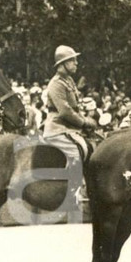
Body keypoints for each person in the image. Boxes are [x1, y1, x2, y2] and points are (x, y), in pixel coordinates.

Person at [42, 45, 96, 201]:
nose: (76, 63)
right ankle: (72, 193)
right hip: (57, 128)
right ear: (62, 64)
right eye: (72, 60)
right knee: (76, 153)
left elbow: (74, 107)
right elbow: (65, 111)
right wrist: (84, 122)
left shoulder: (69, 81)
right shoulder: (56, 83)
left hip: (70, 128)